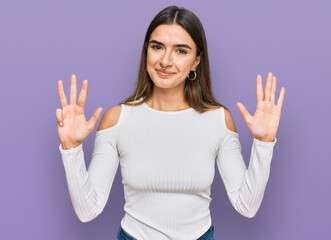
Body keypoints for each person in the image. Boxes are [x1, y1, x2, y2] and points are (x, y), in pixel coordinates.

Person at [56, 5, 285, 240]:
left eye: (181, 51)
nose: (165, 61)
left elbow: (246, 206)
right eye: (157, 47)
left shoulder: (218, 120)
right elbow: (88, 210)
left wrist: (264, 142)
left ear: (197, 61)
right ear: (147, 51)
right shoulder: (117, 119)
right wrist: (71, 149)